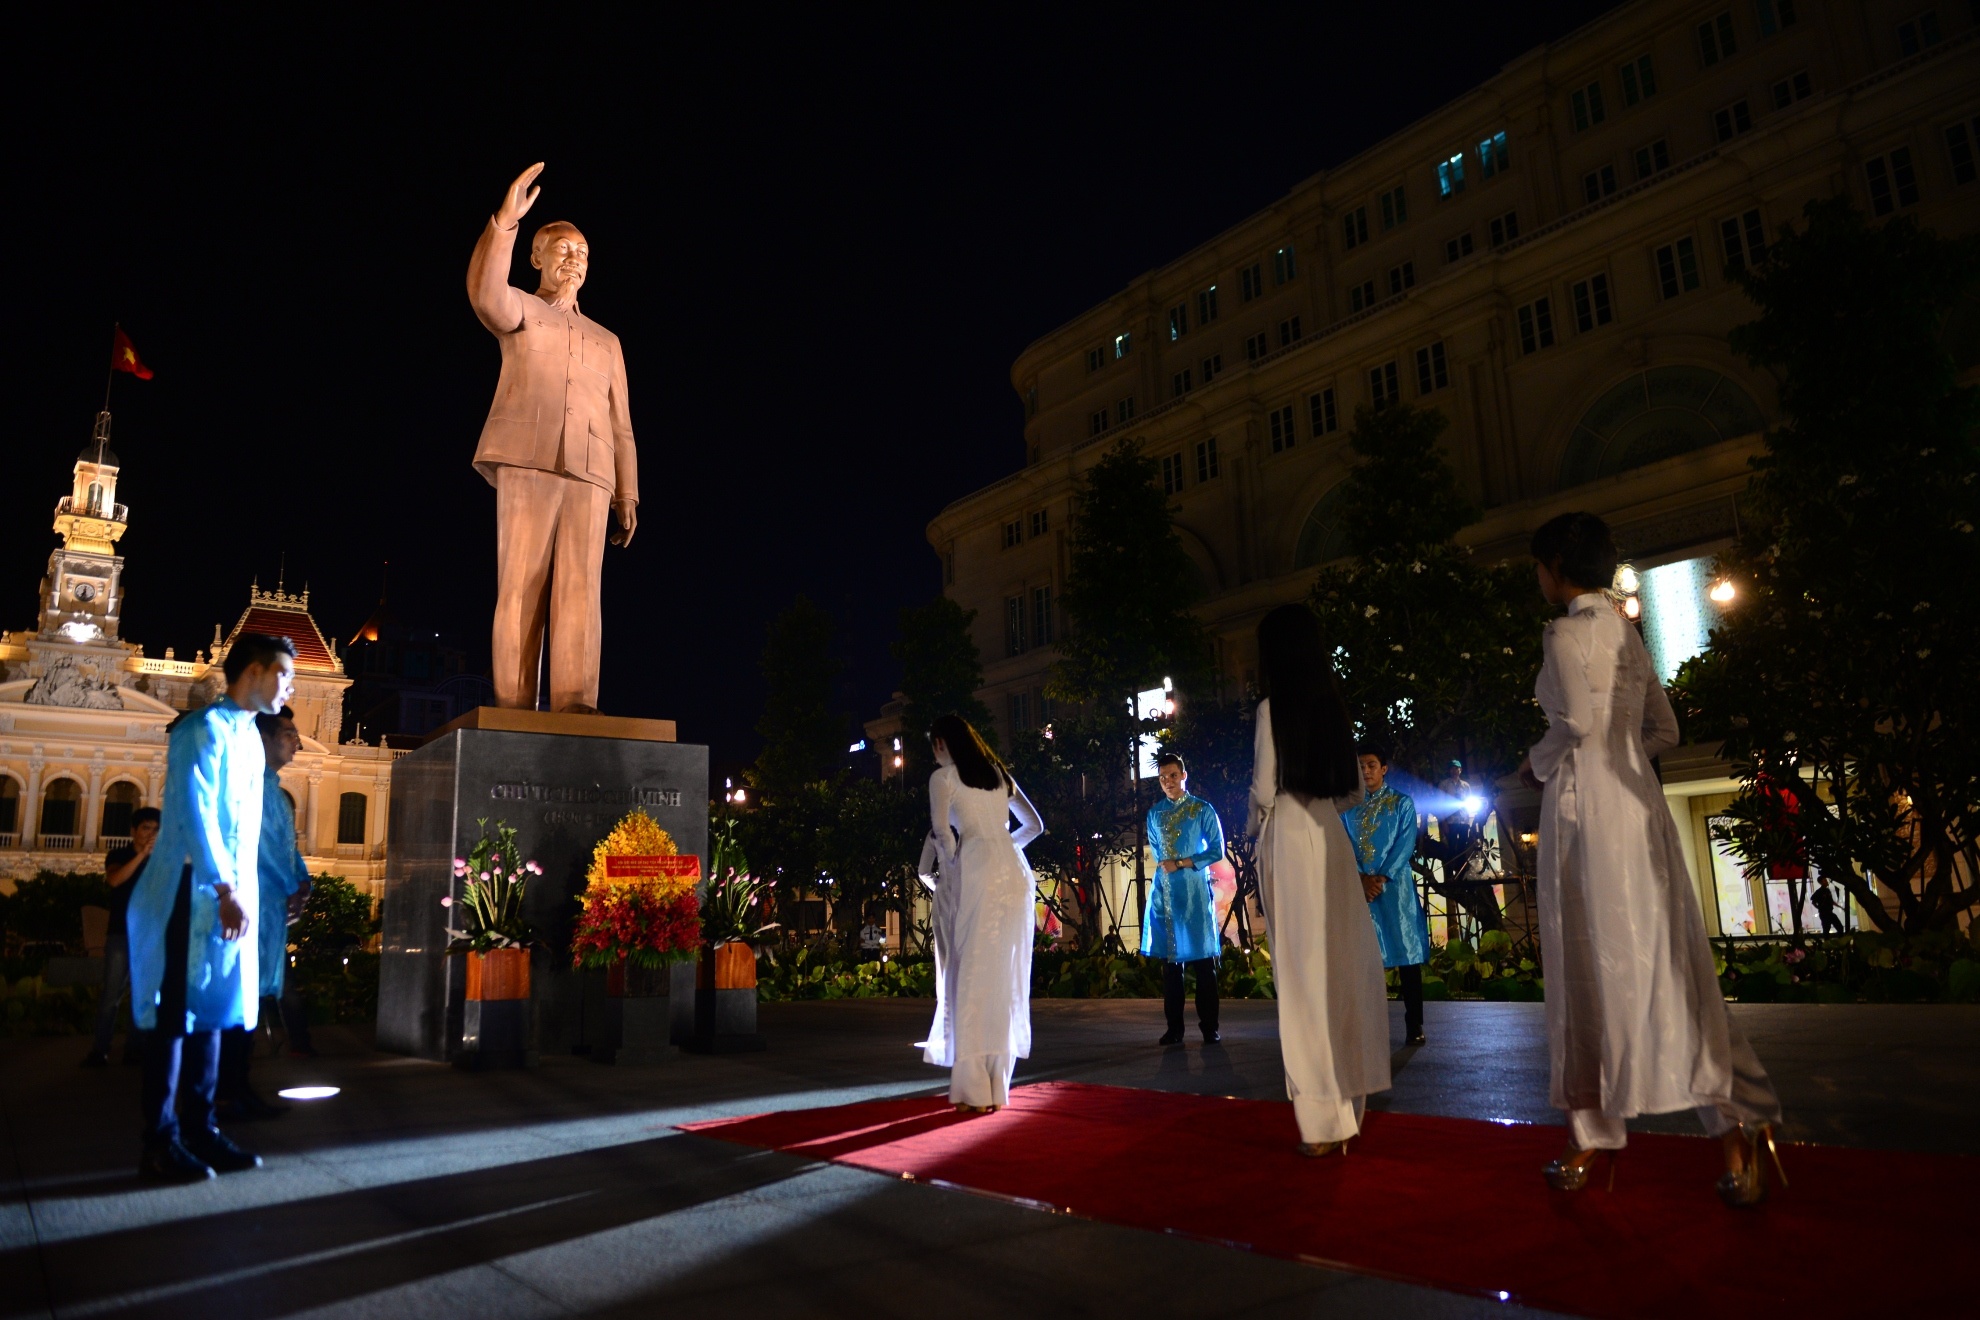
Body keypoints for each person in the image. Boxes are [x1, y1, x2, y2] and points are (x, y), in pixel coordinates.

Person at [1519, 513, 1785, 1206]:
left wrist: (1537, 763)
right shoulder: (1627, 634)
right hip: (1642, 809)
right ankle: (1737, 1132)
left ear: (1557, 568)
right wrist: (1627, 760)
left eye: (1540, 567)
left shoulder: (1564, 632)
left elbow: (1573, 724)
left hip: (1586, 813)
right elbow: (1664, 728)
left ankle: (1591, 1138)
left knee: (1586, 967)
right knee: (1674, 968)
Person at [468, 162, 640, 714]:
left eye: (584, 254)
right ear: (537, 257)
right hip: (528, 458)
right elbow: (485, 293)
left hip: (592, 471)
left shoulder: (606, 340)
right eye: (564, 249)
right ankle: (514, 707)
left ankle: (576, 705)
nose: (575, 260)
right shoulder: (524, 310)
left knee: (580, 593)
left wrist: (627, 493)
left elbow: (622, 425)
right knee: (521, 584)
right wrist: (504, 224)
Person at [127, 633, 295, 1182]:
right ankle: (161, 1140)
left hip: (229, 898)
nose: (289, 687)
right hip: (188, 890)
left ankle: (201, 1129)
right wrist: (225, 890)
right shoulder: (200, 731)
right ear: (253, 672)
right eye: (284, 675)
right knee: (177, 1016)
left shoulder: (247, 738)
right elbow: (197, 814)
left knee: (216, 1015)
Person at [1248, 605, 1391, 1157]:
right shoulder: (1332, 707)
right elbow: (1354, 790)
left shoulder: (1271, 709)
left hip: (1288, 835)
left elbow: (1264, 790)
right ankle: (1348, 1105)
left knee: (1303, 977)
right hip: (1330, 836)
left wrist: (1260, 815)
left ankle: (1322, 1117)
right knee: (1338, 967)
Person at [921, 714, 1044, 1113]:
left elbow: (942, 834)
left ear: (941, 743)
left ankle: (974, 1089)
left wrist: (956, 868)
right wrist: (1003, 847)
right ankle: (996, 1084)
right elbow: (1034, 826)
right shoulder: (997, 773)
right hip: (1015, 874)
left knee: (972, 974)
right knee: (1006, 976)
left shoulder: (943, 780)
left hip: (978, 870)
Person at [218, 707, 313, 1121]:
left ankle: (237, 1086)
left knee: (253, 999)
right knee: (240, 1000)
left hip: (271, 909)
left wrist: (303, 881)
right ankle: (228, 1090)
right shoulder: (248, 786)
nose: (298, 742)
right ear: (264, 739)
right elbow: (258, 850)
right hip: (251, 906)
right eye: (289, 733)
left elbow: (287, 849)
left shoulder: (274, 790)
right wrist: (292, 884)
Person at [1343, 744, 1429, 1047]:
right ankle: (1370, 1027)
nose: (1365, 771)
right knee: (1365, 960)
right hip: (1360, 890)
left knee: (1407, 959)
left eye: (1370, 765)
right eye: (1360, 766)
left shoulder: (1401, 803)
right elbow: (1343, 847)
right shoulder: (1347, 808)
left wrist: (1379, 877)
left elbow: (1406, 844)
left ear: (1383, 769)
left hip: (1395, 889)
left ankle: (1414, 1023)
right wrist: (1361, 878)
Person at [1143, 752, 1224, 1046]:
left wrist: (1183, 863)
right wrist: (1170, 868)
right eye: (1163, 778)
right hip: (1165, 896)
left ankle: (1210, 1028)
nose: (1168, 782)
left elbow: (1217, 850)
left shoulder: (1202, 810)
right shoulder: (1154, 814)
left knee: (1204, 966)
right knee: (1170, 969)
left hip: (1195, 896)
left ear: (1184, 775)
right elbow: (1157, 852)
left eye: (1173, 776)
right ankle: (1174, 1029)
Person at [82, 806, 161, 1067]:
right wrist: (141, 856)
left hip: (149, 936)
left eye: (156, 829)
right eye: (146, 828)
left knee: (144, 996)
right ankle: (100, 1050)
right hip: (120, 935)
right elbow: (115, 880)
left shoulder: (161, 861)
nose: (151, 834)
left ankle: (135, 1050)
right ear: (134, 831)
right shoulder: (119, 855)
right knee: (111, 996)